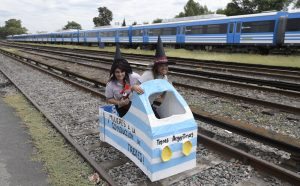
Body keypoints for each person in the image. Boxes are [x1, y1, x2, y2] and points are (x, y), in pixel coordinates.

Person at [105, 44, 140, 117]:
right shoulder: (110, 84)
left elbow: (143, 83)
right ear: (113, 72)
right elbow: (109, 99)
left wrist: (135, 87)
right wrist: (119, 103)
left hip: (136, 105)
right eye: (117, 72)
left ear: (125, 71)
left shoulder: (134, 77)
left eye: (122, 71)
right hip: (121, 107)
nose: (120, 74)